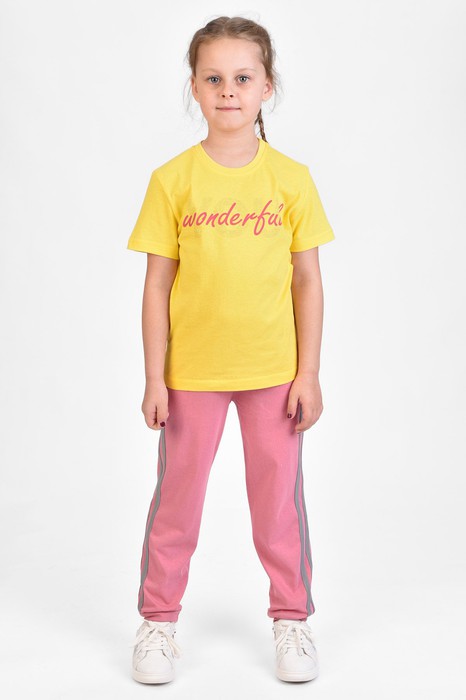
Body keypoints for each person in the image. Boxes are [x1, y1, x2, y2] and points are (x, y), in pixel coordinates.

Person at [127, 15, 335, 685]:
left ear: (266, 87)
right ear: (194, 86)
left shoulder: (291, 179)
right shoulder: (173, 180)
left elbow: (308, 281)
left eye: (242, 78)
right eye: (213, 78)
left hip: (274, 374)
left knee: (277, 505)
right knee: (177, 502)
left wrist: (308, 372)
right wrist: (154, 377)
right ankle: (158, 623)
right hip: (191, 375)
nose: (228, 91)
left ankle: (292, 618)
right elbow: (157, 284)